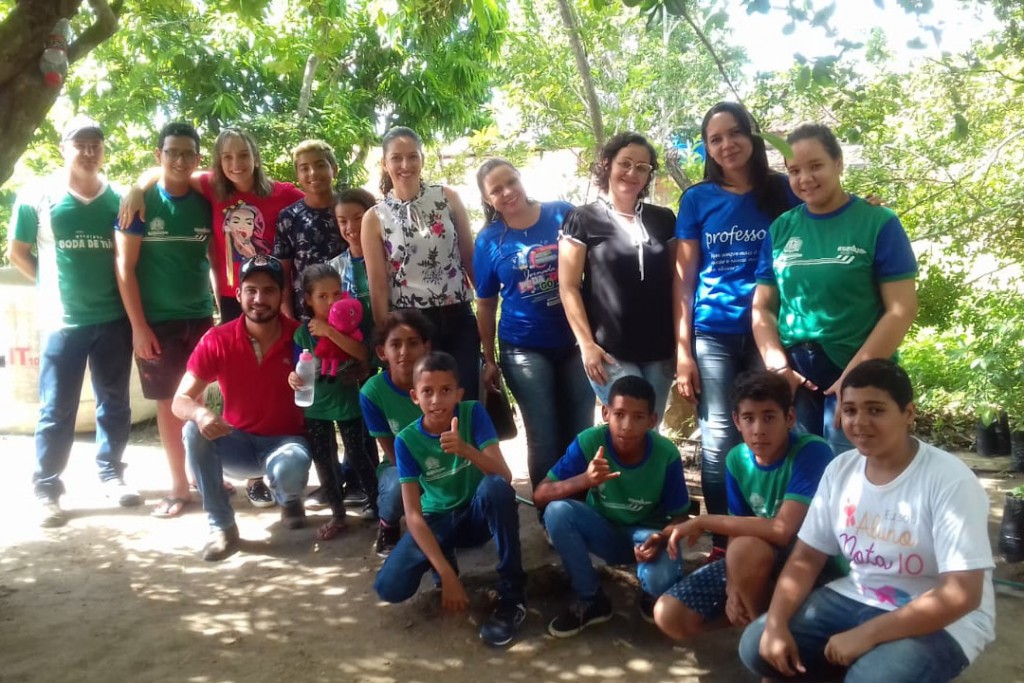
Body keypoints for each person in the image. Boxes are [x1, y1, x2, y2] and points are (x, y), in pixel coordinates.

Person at [739, 359, 995, 682]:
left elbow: (962, 594)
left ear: (908, 414)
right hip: (858, 593)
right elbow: (806, 557)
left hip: (946, 618)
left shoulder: (949, 480)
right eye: (850, 410)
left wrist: (868, 634)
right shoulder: (841, 470)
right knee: (755, 645)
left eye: (875, 410)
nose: (859, 422)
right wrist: (775, 624)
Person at [119, 128, 304, 509]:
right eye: (227, 157)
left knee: (279, 382)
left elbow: (321, 200)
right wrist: (139, 185)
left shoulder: (282, 194)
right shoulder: (213, 189)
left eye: (243, 155)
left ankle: (277, 467)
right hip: (232, 301)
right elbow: (171, 169)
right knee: (234, 388)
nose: (236, 164)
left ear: (256, 155)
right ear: (218, 162)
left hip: (275, 300)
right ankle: (227, 478)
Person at [673, 102, 796, 556]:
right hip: (714, 332)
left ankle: (772, 532)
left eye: (734, 133)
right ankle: (726, 541)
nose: (727, 144)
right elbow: (684, 280)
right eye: (715, 138)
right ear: (707, 148)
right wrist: (683, 351)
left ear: (752, 136)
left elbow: (828, 213)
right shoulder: (698, 199)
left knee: (770, 431)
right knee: (721, 436)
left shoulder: (783, 191)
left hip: (771, 333)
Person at [752, 123, 918, 454]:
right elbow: (763, 308)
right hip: (797, 377)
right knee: (806, 480)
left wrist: (853, 379)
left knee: (854, 479)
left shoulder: (878, 222)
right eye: (794, 170)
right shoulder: (782, 228)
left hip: (860, 374)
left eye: (815, 166)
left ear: (838, 163)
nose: (805, 178)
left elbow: (901, 309)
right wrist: (779, 368)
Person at [8, 116, 140, 527]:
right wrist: (49, 284)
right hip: (61, 323)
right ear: (63, 147)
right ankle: (47, 488)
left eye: (95, 144)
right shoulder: (37, 196)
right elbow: (18, 252)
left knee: (114, 403)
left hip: (113, 320)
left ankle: (111, 475)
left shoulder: (119, 198)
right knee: (56, 409)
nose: (88, 151)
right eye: (80, 144)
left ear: (103, 149)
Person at [653, 370, 835, 641]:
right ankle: (758, 625)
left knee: (747, 550)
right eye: (749, 418)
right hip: (757, 563)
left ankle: (768, 641)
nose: (758, 429)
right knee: (669, 614)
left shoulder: (812, 452)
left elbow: (782, 530)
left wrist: (702, 521)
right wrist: (733, 588)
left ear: (790, 418)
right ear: (737, 421)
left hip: (812, 565)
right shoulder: (737, 459)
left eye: (769, 417)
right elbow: (737, 529)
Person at [373, 352, 527, 648]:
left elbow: (504, 476)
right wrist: (445, 573)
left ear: (459, 394)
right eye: (427, 392)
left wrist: (466, 449)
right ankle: (446, 561)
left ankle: (513, 596)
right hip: (436, 521)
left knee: (495, 489)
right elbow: (414, 515)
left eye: (446, 391)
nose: (436, 400)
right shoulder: (406, 440)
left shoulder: (472, 414)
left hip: (475, 515)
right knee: (389, 587)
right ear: (414, 397)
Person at [172, 254, 312, 561]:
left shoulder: (301, 336)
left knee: (289, 468)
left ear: (281, 295)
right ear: (238, 294)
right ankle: (221, 525)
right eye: (251, 290)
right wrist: (201, 412)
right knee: (192, 430)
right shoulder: (217, 339)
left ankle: (289, 499)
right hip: (237, 442)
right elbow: (179, 401)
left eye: (269, 290)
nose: (259, 298)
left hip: (286, 443)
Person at [533, 376, 690, 638]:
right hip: (602, 530)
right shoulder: (589, 441)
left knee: (661, 579)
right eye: (619, 414)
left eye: (638, 417)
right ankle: (591, 599)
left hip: (645, 536)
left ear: (653, 420)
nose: (627, 426)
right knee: (557, 512)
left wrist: (661, 537)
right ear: (606, 413)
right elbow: (540, 495)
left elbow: (681, 516)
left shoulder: (666, 455)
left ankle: (650, 593)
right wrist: (585, 479)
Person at [114, 121, 215, 519]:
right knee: (169, 404)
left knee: (200, 400)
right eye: (171, 152)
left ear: (197, 159)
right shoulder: (137, 204)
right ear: (159, 155)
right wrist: (139, 326)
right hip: (157, 322)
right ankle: (177, 486)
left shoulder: (205, 197)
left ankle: (199, 474)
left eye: (187, 153)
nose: (179, 160)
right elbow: (124, 268)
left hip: (200, 316)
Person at [473, 158, 594, 489]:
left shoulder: (562, 213)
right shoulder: (489, 240)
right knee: (544, 434)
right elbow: (485, 303)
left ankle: (582, 503)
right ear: (487, 199)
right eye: (496, 190)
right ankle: (548, 508)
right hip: (523, 348)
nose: (507, 192)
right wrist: (489, 358)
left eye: (510, 181)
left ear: (520, 178)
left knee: (581, 429)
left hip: (575, 343)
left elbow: (595, 270)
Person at [559, 132, 676, 420]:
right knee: (626, 431)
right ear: (608, 164)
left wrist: (681, 347)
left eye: (642, 167)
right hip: (610, 352)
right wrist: (586, 344)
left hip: (661, 349)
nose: (632, 173)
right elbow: (569, 286)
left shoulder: (663, 219)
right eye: (625, 163)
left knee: (650, 431)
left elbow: (677, 282)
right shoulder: (583, 219)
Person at [360, 126, 480, 399]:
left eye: (413, 157)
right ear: (385, 163)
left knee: (465, 398)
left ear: (422, 159)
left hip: (457, 315)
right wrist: (387, 340)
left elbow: (469, 258)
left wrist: (486, 320)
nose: (405, 165)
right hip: (411, 325)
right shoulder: (375, 217)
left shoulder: (447, 198)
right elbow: (378, 286)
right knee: (427, 405)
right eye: (396, 158)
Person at [287, 265, 376, 541]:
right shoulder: (302, 334)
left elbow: (363, 353)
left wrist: (330, 332)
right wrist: (292, 377)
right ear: (308, 300)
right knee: (324, 460)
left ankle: (379, 504)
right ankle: (338, 514)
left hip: (347, 403)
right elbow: (295, 366)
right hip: (315, 407)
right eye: (322, 296)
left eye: (336, 294)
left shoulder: (350, 326)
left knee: (358, 454)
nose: (331, 302)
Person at [359, 310, 433, 557]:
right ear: (382, 353)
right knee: (394, 489)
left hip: (442, 458)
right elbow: (390, 449)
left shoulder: (438, 380)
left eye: (413, 343)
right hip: (399, 464)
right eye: (395, 344)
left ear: (426, 348)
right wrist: (419, 477)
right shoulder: (372, 392)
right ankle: (388, 526)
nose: (404, 351)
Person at [272, 140, 347, 320]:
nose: (312, 173)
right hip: (306, 316)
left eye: (320, 165)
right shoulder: (289, 217)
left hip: (350, 310)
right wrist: (289, 320)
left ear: (334, 169)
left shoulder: (350, 210)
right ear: (298, 175)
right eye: (304, 168)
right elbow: (283, 275)